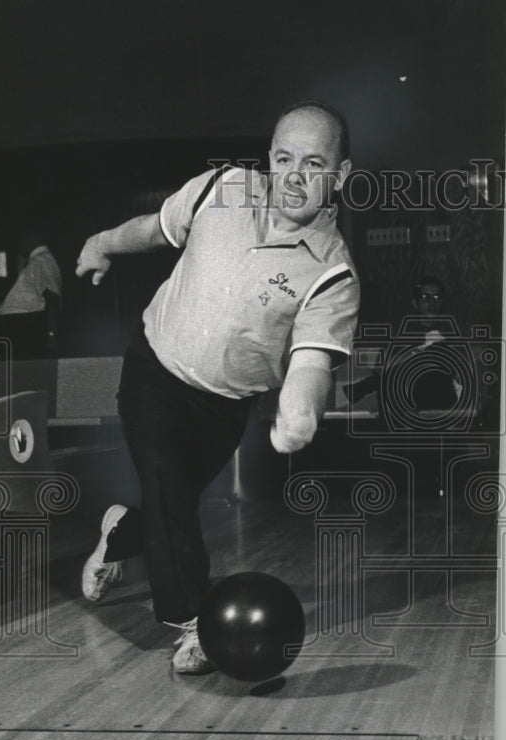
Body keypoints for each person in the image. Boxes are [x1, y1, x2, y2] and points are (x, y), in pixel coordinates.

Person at [76, 101, 360, 674]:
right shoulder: (221, 188)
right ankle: (191, 621)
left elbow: (311, 362)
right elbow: (154, 230)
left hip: (225, 406)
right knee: (164, 479)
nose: (296, 176)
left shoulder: (333, 272)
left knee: (172, 498)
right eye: (284, 159)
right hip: (153, 368)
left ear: (340, 175)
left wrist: (300, 409)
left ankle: (118, 532)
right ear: (269, 160)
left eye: (314, 162)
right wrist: (103, 241)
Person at [344, 276, 462, 411]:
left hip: (438, 394)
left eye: (436, 298)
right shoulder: (400, 334)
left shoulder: (449, 333)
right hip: (404, 397)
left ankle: (367, 386)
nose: (431, 303)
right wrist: (419, 350)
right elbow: (381, 369)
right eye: (425, 297)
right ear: (415, 302)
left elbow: (456, 371)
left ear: (442, 302)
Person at [0, 230, 61, 360]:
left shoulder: (43, 261)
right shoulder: (35, 263)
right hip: (19, 329)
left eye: (22, 239)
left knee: (26, 375)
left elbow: (52, 299)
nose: (19, 243)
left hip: (25, 329)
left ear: (32, 239)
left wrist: (51, 335)